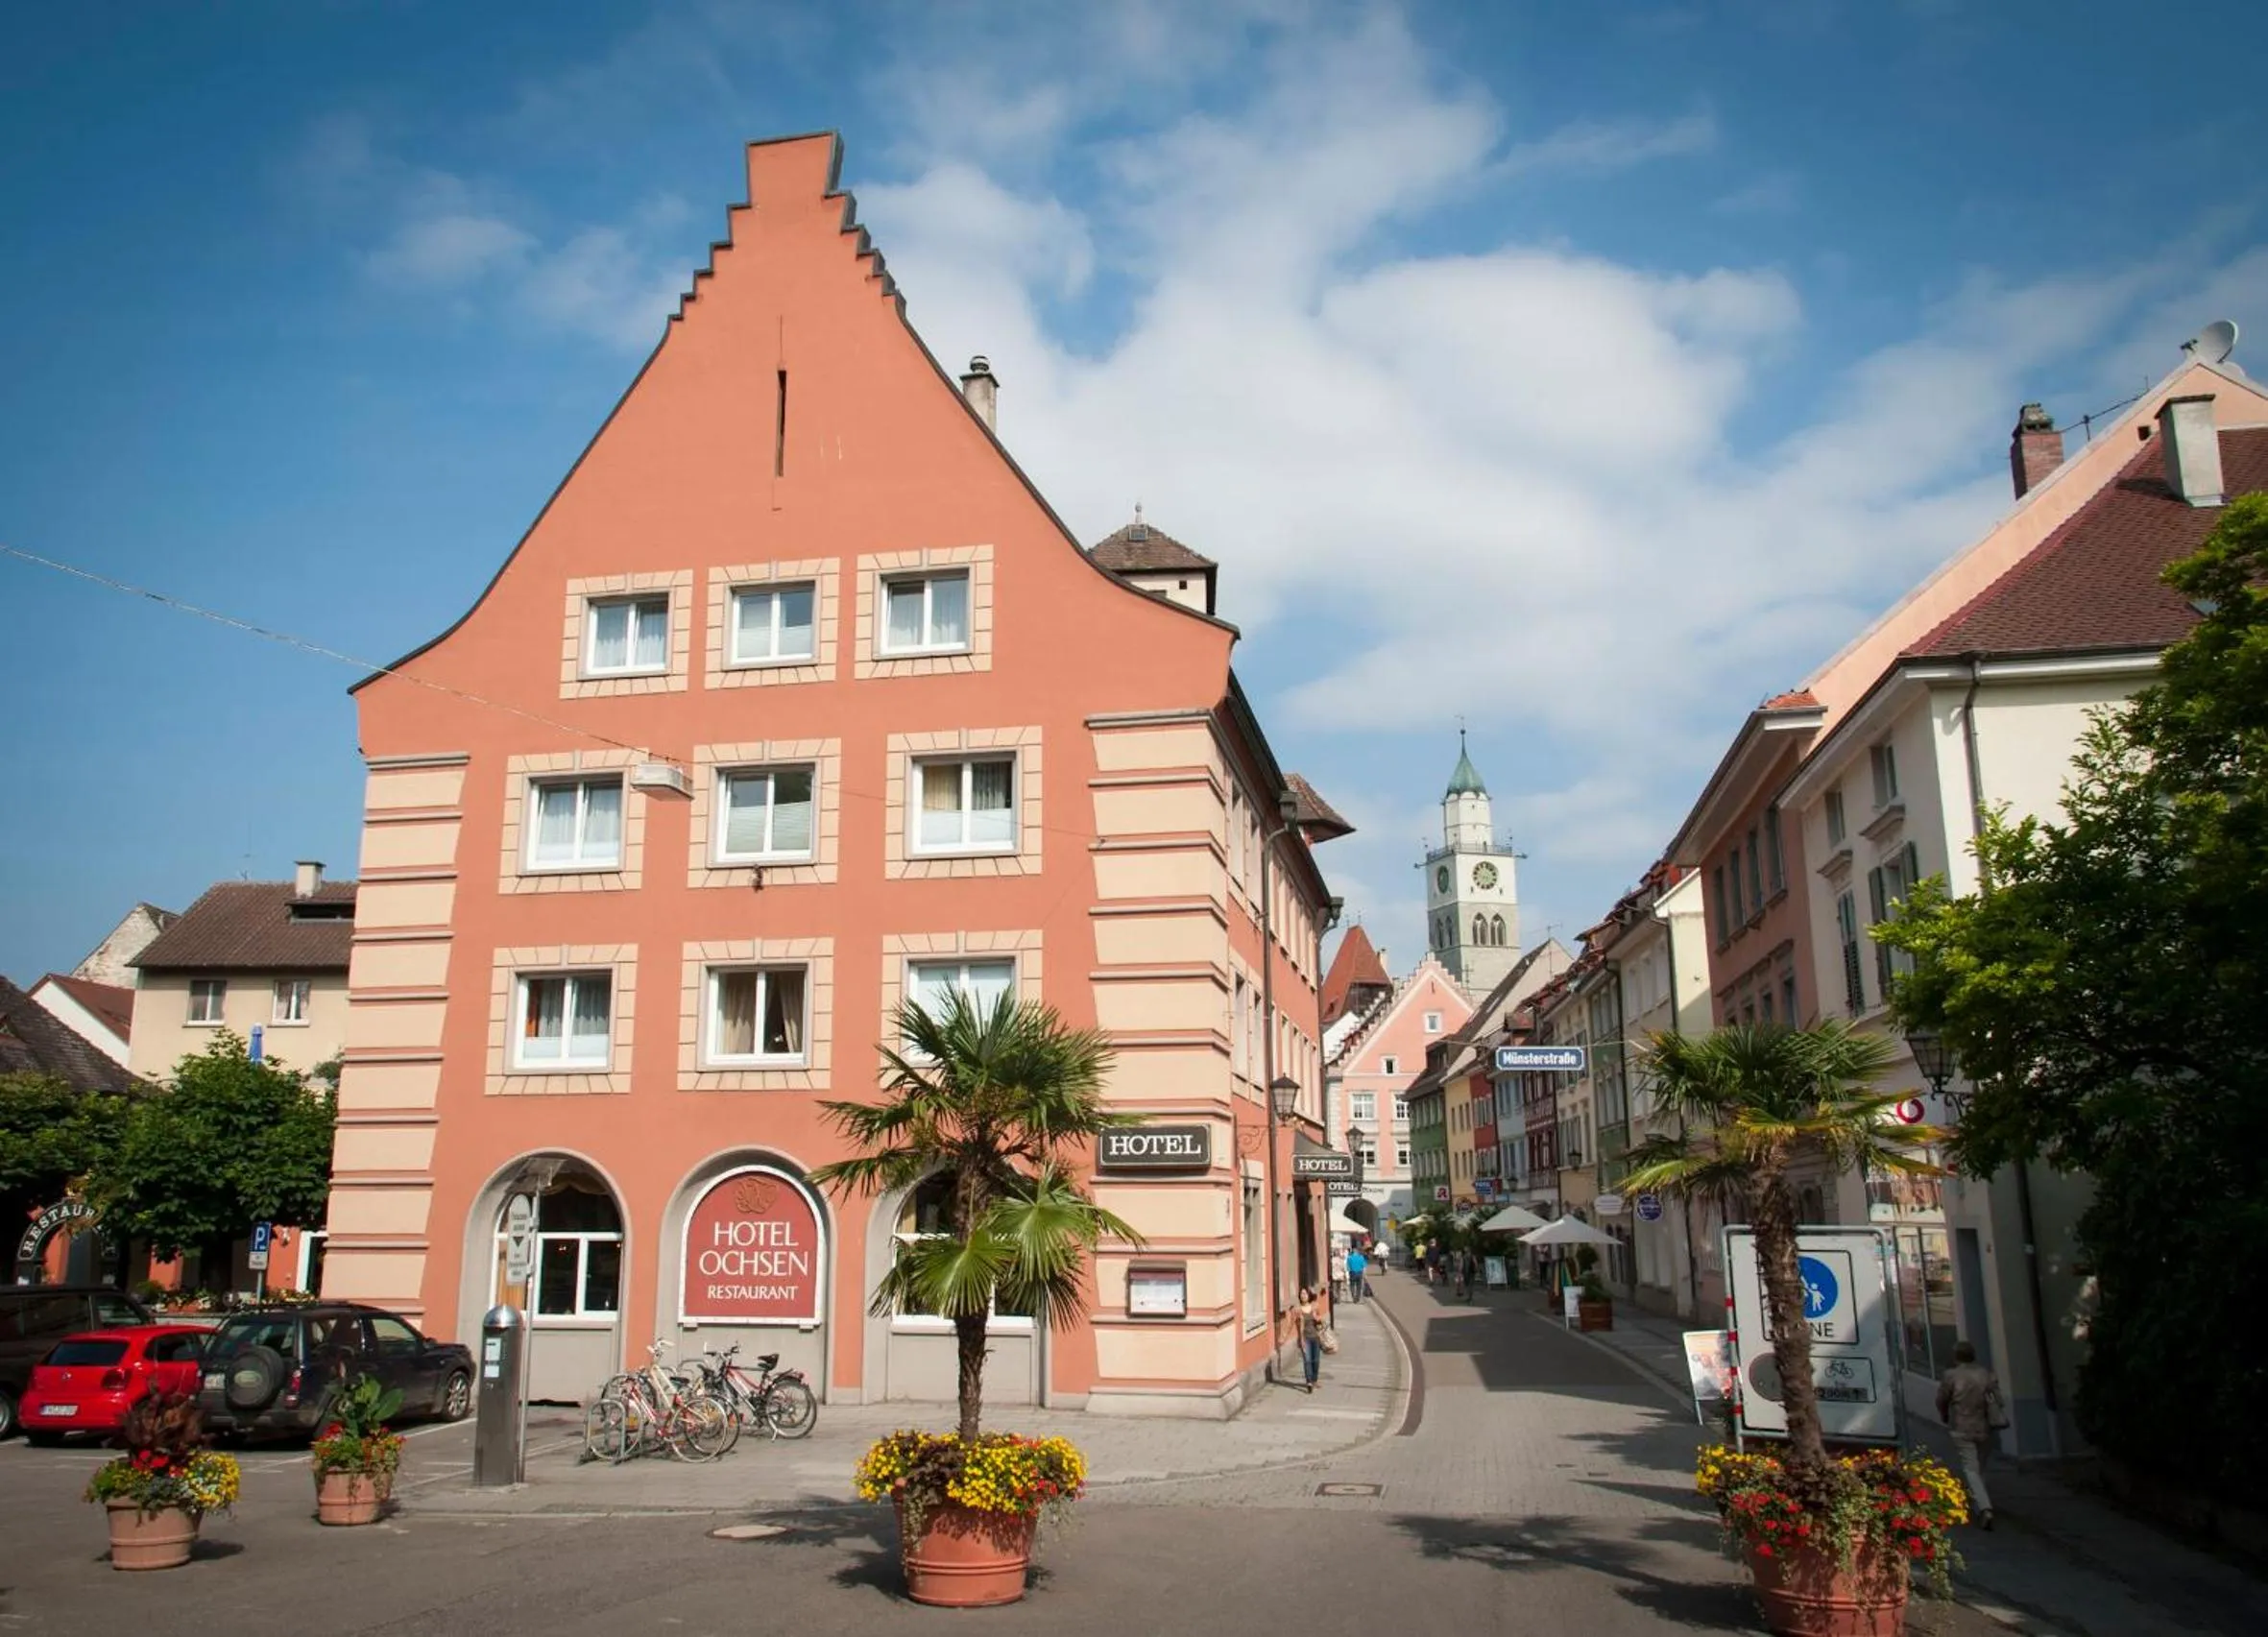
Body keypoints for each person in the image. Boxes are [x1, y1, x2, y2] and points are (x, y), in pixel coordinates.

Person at [1936, 1340, 2006, 1530]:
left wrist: (1944, 1414)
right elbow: (1999, 1400)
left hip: (1961, 1426)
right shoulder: (1985, 1374)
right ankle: (1979, 1503)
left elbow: (1941, 1399)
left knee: (1971, 1468)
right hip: (1984, 1426)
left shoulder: (1951, 1376)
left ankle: (1984, 1508)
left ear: (1956, 1357)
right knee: (1980, 1467)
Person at [1293, 1286, 1324, 1392]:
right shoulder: (1297, 1310)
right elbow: (1290, 1324)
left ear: (1309, 1295)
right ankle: (1309, 1382)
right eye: (1301, 1294)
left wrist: (1317, 1318)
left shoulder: (1315, 1306)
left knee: (1316, 1360)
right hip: (1305, 1338)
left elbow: (1321, 1320)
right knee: (1307, 1360)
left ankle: (1314, 1380)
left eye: (1305, 1293)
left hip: (1316, 1337)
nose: (1303, 1296)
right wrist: (1283, 1337)